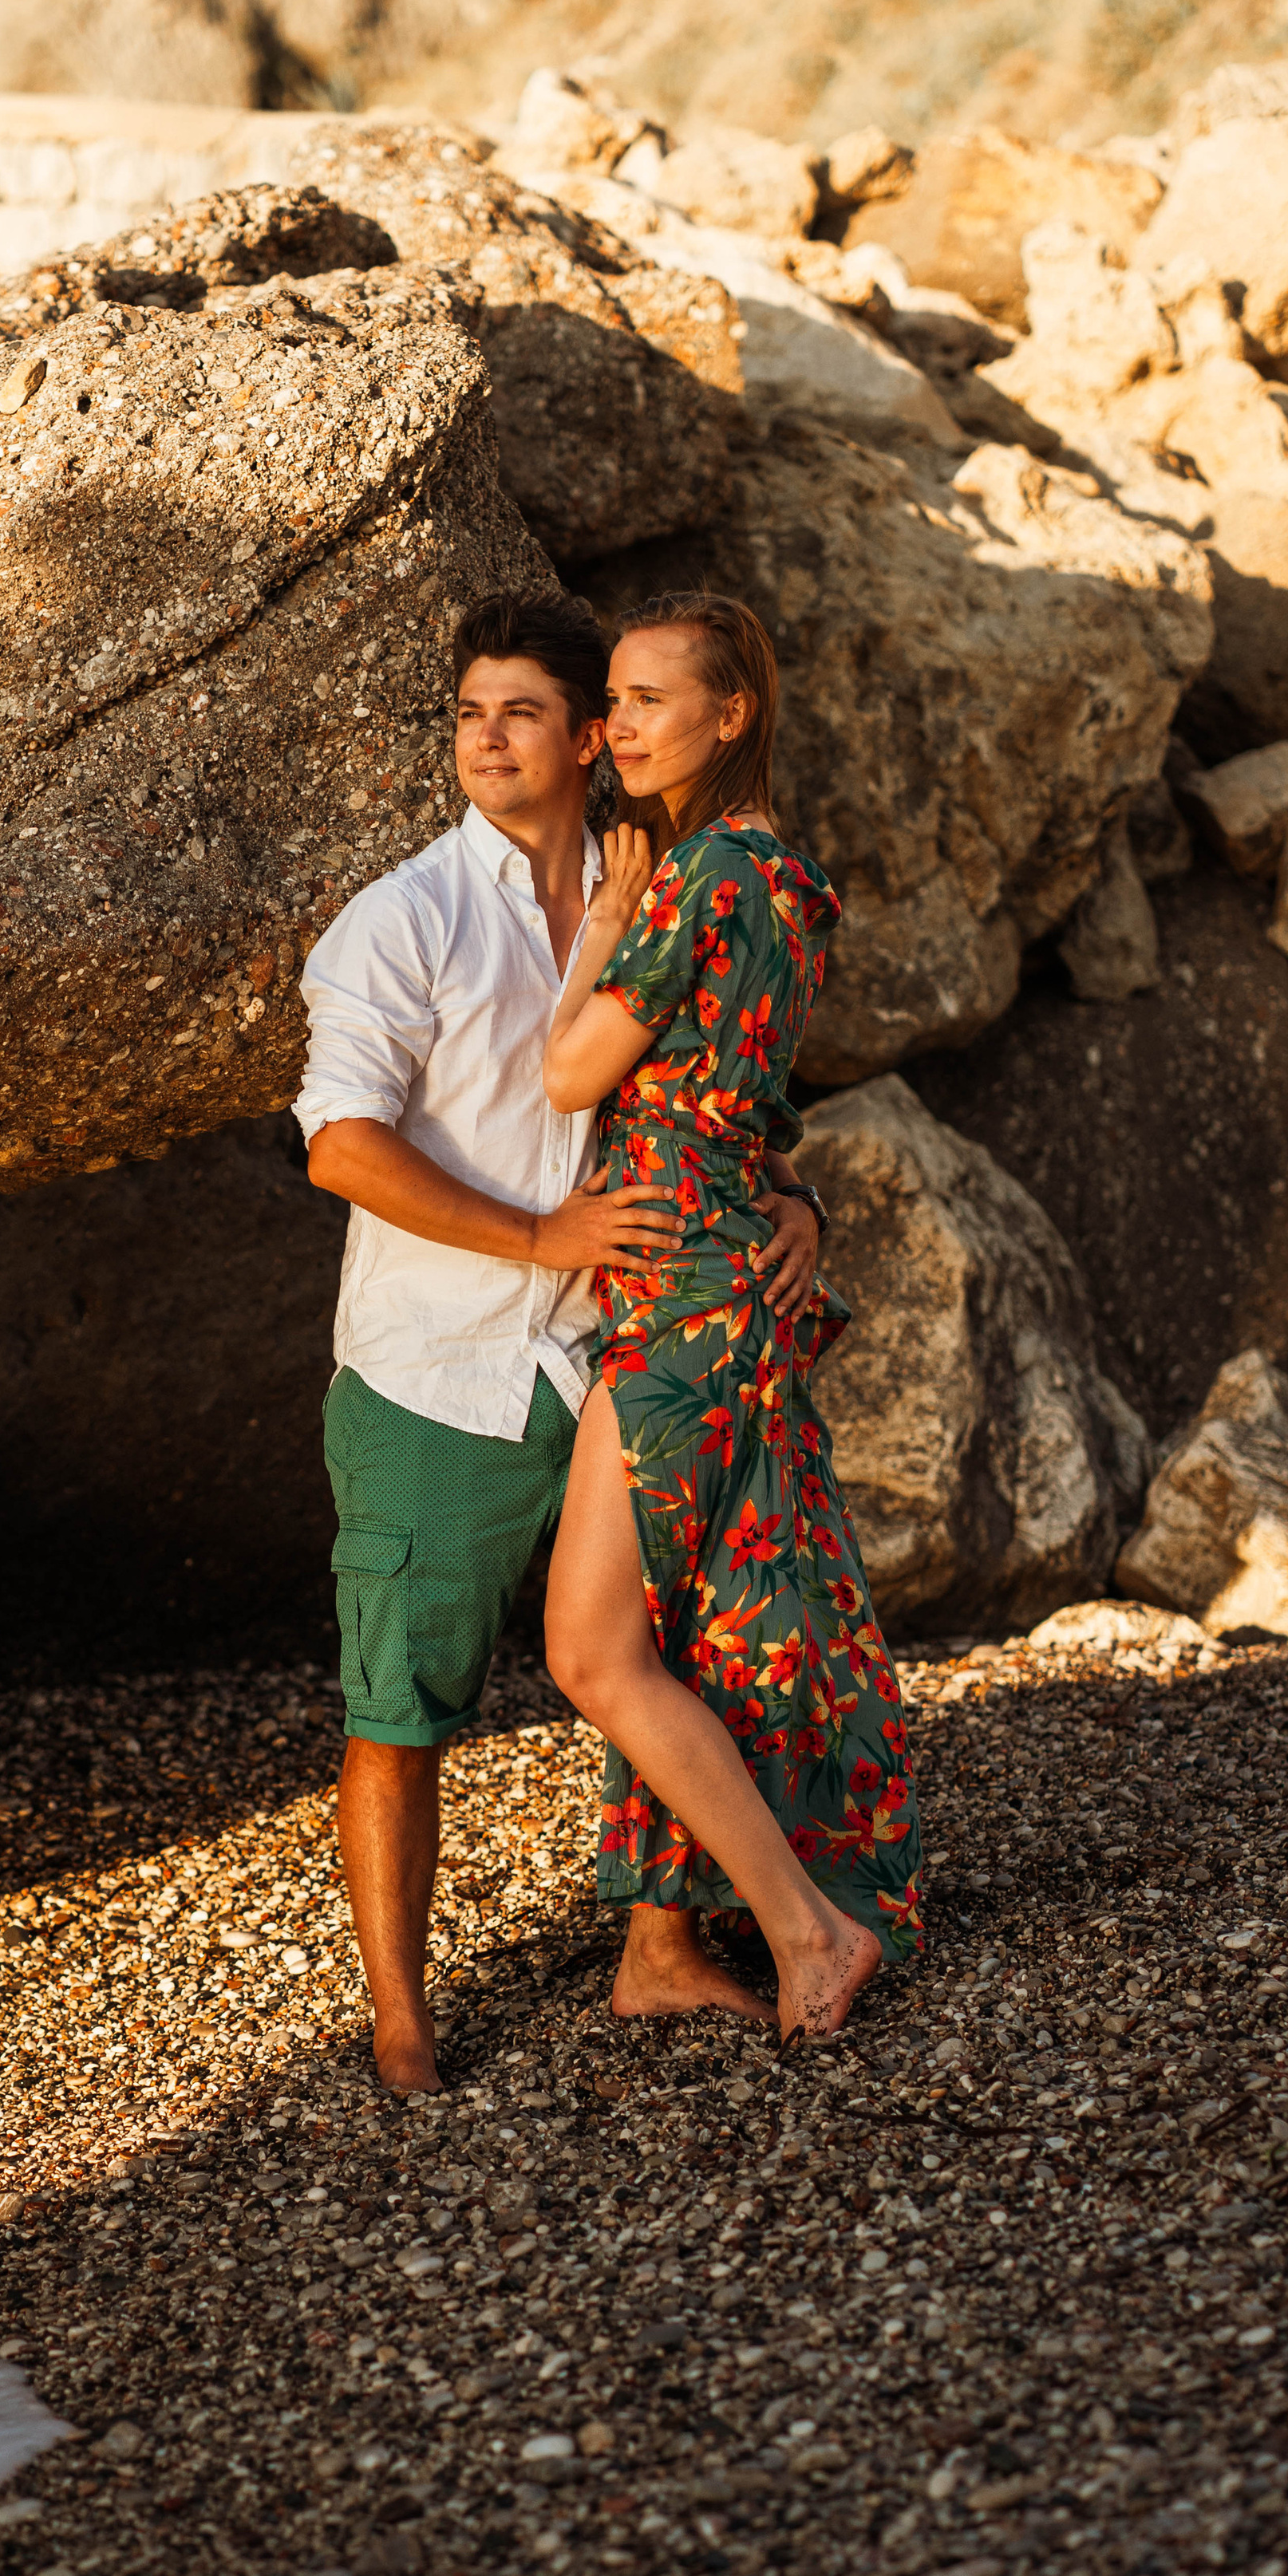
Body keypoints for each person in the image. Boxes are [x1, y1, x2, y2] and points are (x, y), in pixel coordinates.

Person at [296, 590, 829, 2093]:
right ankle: (401, 2022)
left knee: (665, 1653)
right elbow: (339, 1144)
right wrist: (539, 1238)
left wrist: (799, 1208)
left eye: (520, 711)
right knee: (399, 1705)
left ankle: (660, 1950)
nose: (485, 738)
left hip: (622, 1343)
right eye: (467, 714)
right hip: (437, 1364)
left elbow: (716, 1094)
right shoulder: (402, 917)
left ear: (595, 736)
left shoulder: (655, 885)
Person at [542, 590, 922, 2044]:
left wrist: (608, 923)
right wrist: (795, 1204)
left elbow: (574, 1074)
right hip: (707, 1275)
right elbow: (736, 1099)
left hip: (685, 1299)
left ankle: (807, 1929)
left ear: (732, 713)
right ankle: (657, 1949)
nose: (621, 723)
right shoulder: (786, 880)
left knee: (593, 1650)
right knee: (690, 1629)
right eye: (616, 699)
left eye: (648, 698)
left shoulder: (697, 879)